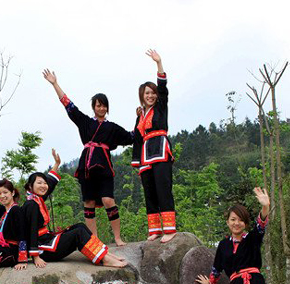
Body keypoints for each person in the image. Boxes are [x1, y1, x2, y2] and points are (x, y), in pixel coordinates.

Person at [42, 69, 133, 246]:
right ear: (94, 107)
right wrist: (55, 83)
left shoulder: (113, 128)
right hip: (86, 166)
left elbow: (131, 137)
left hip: (105, 166)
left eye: (104, 105)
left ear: (107, 108)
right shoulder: (85, 122)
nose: (101, 108)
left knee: (108, 200)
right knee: (89, 202)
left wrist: (140, 116)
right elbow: (68, 105)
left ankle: (117, 237)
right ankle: (95, 240)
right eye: (98, 105)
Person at [23, 149, 128, 268]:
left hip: (47, 239)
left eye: (44, 183)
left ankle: (105, 254)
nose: (43, 186)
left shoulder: (37, 199)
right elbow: (30, 231)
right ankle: (105, 259)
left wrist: (57, 164)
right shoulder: (31, 205)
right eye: (39, 183)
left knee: (80, 226)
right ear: (30, 187)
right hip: (43, 249)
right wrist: (35, 256)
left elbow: (50, 183)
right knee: (78, 233)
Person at [132, 49, 176, 243]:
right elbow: (136, 139)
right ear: (142, 96)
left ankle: (169, 229)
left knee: (163, 188)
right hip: (145, 156)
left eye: (152, 93)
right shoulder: (140, 115)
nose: (150, 96)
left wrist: (159, 63)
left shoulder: (161, 106)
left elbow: (163, 87)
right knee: (149, 191)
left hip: (160, 150)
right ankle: (155, 229)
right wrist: (137, 163)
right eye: (146, 93)